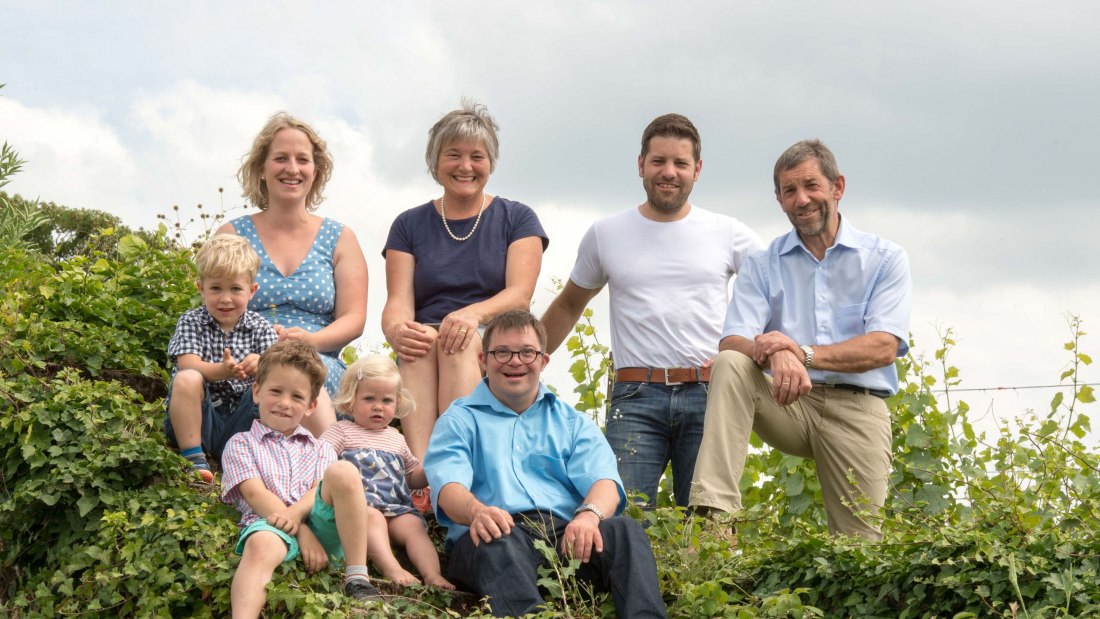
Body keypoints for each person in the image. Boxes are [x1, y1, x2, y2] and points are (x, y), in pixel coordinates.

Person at [688, 139, 913, 541]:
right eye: (789, 190)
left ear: (837, 187)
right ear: (779, 199)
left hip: (858, 408)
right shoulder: (762, 264)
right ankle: (714, 524)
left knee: (860, 550)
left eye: (811, 186)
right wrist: (777, 354)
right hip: (789, 402)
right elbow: (733, 340)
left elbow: (883, 346)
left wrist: (801, 352)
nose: (802, 199)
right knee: (731, 364)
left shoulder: (884, 258)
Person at [541, 113, 763, 507]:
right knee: (622, 517)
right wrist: (525, 357)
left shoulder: (728, 232)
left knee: (708, 520)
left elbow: (772, 293)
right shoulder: (606, 233)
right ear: (641, 164)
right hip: (635, 397)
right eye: (658, 161)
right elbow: (569, 305)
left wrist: (757, 352)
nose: (669, 172)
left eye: (680, 163)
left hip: (710, 394)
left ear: (697, 169)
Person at [424, 310, 667, 618]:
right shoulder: (459, 420)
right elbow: (448, 486)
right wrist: (477, 512)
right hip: (494, 536)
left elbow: (604, 482)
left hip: (568, 540)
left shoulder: (573, 422)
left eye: (527, 352)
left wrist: (588, 516)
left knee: (625, 532)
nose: (515, 361)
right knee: (496, 539)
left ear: (543, 361)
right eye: (502, 352)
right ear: (483, 360)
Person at [382, 100, 549, 468]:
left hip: (493, 331)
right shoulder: (408, 225)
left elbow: (519, 295)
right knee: (419, 344)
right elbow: (398, 301)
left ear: (490, 162)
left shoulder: (518, 218)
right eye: (453, 155)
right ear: (435, 160)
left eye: (477, 156)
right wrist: (397, 329)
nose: (466, 166)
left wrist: (471, 316)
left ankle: (458, 463)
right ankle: (423, 472)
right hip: (431, 332)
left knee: (456, 342)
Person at [220, 112, 369, 438]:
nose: (292, 168)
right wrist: (264, 351)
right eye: (280, 158)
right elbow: (215, 306)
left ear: (316, 171)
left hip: (319, 360)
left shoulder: (340, 238)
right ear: (262, 168)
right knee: (279, 376)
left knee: (307, 372)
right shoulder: (233, 235)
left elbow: (354, 318)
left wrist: (310, 342)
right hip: (250, 361)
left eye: (302, 160)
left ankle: (328, 460)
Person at [221, 340, 381, 617]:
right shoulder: (241, 444)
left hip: (322, 524)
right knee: (260, 543)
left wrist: (299, 516)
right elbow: (255, 494)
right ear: (257, 392)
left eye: (297, 397)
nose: (284, 403)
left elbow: (317, 489)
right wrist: (300, 530)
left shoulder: (321, 449)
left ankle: (357, 576)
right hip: (270, 523)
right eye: (275, 391)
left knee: (343, 471)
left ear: (310, 406)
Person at [320, 356, 454, 590]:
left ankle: (432, 574)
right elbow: (319, 460)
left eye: (387, 400)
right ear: (350, 402)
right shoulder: (341, 431)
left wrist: (431, 469)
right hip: (362, 509)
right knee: (372, 519)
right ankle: (391, 567)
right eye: (369, 398)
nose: (378, 406)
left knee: (414, 527)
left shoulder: (396, 438)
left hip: (397, 509)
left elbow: (411, 477)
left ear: (397, 403)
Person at [164, 234, 278, 482]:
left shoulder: (261, 327)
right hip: (198, 420)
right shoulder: (191, 321)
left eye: (235, 289)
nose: (225, 298)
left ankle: (266, 455)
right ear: (201, 289)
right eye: (216, 288)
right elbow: (186, 363)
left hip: (242, 423)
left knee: (271, 386)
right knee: (187, 378)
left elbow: (280, 371)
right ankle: (194, 457)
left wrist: (262, 364)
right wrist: (221, 371)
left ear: (251, 291)